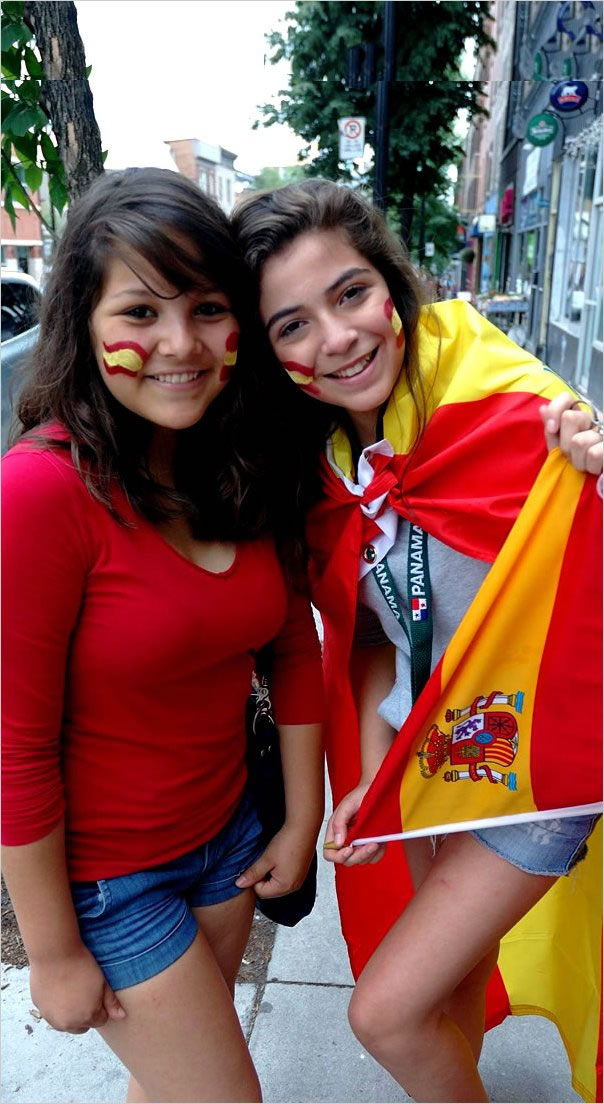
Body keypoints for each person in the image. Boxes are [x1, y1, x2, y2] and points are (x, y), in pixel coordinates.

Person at [232, 178, 602, 1104]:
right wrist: (372, 777)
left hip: (542, 772)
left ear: (392, 288)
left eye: (350, 294)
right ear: (269, 353)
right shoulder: (324, 474)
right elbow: (372, 642)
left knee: (384, 1014)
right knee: (450, 998)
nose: (337, 338)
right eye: (293, 325)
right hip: (444, 760)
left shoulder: (515, 415)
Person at [1, 168, 325, 1104]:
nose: (180, 345)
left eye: (210, 308)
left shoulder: (239, 464)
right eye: (141, 312)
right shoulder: (40, 495)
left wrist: (299, 819)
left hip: (227, 845)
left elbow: (291, 647)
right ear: (85, 323)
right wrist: (53, 952)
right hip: (111, 886)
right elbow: (15, 748)